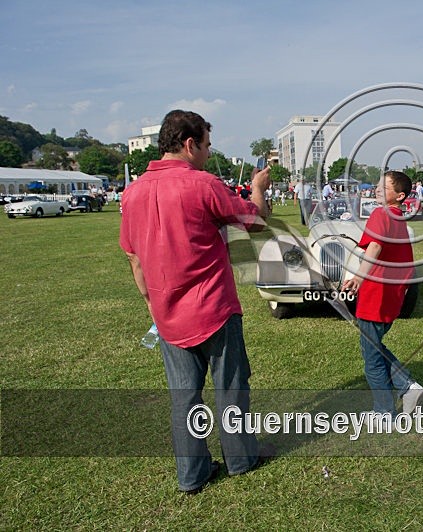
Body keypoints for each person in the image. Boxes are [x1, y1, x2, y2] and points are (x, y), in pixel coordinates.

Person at [119, 110, 273, 495]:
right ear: (190, 144)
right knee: (231, 389)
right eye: (206, 145)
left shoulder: (133, 191)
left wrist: (152, 303)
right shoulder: (203, 184)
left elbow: (133, 257)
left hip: (166, 313)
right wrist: (258, 188)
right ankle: (241, 459)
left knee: (184, 398)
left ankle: (193, 474)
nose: (207, 153)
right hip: (214, 309)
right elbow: (256, 221)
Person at [341, 170, 423, 418]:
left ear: (399, 196)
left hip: (376, 294)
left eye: (384, 186)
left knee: (372, 358)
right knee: (374, 346)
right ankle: (407, 386)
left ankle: (385, 411)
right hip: (391, 295)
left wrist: (359, 276)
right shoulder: (398, 218)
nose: (377, 189)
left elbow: (375, 246)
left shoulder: (381, 213)